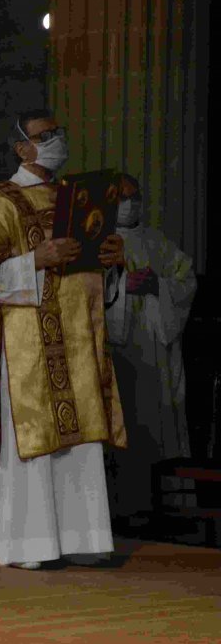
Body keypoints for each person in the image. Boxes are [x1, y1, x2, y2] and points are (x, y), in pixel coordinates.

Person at [0, 108, 128, 570]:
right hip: (29, 344)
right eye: (44, 135)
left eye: (59, 131)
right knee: (33, 440)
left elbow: (93, 276)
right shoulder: (0, 202)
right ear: (21, 148)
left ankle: (83, 539)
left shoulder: (80, 198)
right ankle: (30, 546)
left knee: (81, 442)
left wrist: (110, 261)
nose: (56, 140)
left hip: (78, 339)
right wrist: (35, 259)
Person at [105, 173, 197, 516]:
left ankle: (164, 511)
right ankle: (121, 510)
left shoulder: (156, 240)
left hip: (154, 346)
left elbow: (185, 279)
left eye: (136, 195)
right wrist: (123, 286)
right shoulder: (99, 239)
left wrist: (158, 285)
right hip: (119, 347)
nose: (132, 203)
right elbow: (86, 287)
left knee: (155, 425)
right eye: (123, 197)